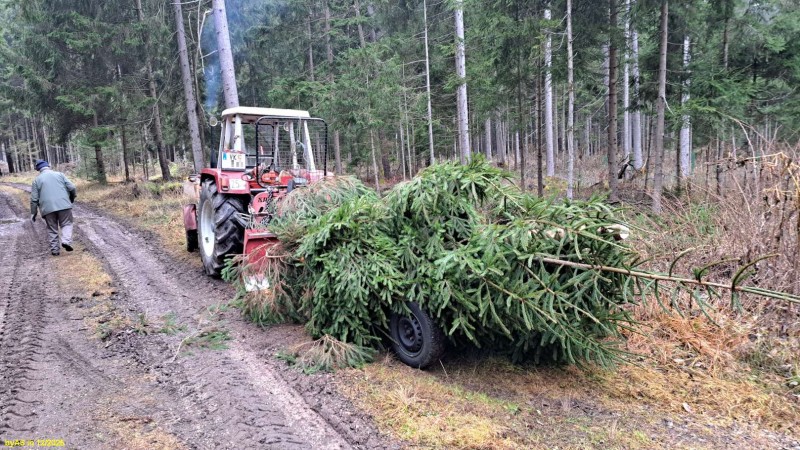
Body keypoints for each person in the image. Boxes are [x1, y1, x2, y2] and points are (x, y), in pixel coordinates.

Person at [30, 160, 77, 256]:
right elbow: (72, 187)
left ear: (38, 169)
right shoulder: (59, 174)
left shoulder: (36, 180)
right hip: (64, 205)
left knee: (52, 229)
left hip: (47, 209)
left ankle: (55, 251)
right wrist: (71, 199)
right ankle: (66, 241)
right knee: (67, 224)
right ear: (48, 166)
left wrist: (33, 213)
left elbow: (34, 199)